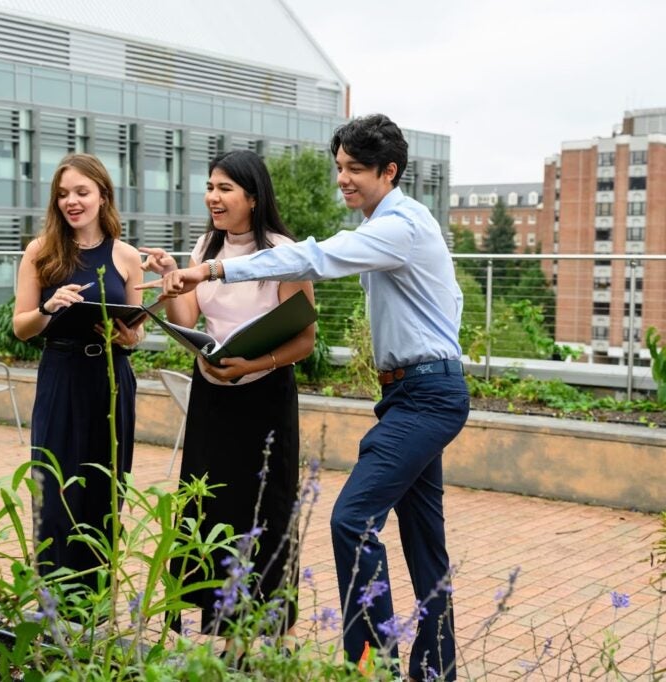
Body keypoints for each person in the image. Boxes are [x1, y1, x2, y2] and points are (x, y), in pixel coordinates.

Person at [144, 115, 469, 681]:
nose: (343, 179)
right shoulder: (391, 224)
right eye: (339, 166)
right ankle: (434, 670)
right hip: (411, 391)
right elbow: (454, 297)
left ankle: (372, 667)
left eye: (356, 170)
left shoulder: (399, 227)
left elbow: (313, 258)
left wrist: (215, 267)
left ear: (389, 171)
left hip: (426, 394)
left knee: (351, 518)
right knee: (425, 542)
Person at [140, 150, 316, 649]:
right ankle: (222, 632)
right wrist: (175, 273)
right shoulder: (206, 245)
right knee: (208, 510)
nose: (212, 197)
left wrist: (252, 365)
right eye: (210, 187)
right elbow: (189, 318)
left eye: (224, 189)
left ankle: (269, 636)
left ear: (253, 197)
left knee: (262, 510)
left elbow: (305, 340)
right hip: (212, 398)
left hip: (264, 398)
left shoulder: (285, 251)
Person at [13, 153, 145, 589]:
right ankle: (54, 600)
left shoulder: (127, 256)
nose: (72, 201)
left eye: (82, 192)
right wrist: (50, 308)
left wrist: (129, 336)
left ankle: (94, 607)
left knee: (106, 488)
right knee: (56, 489)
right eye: (63, 194)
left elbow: (137, 331)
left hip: (111, 378)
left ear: (102, 195)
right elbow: (21, 327)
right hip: (62, 375)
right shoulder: (40, 251)